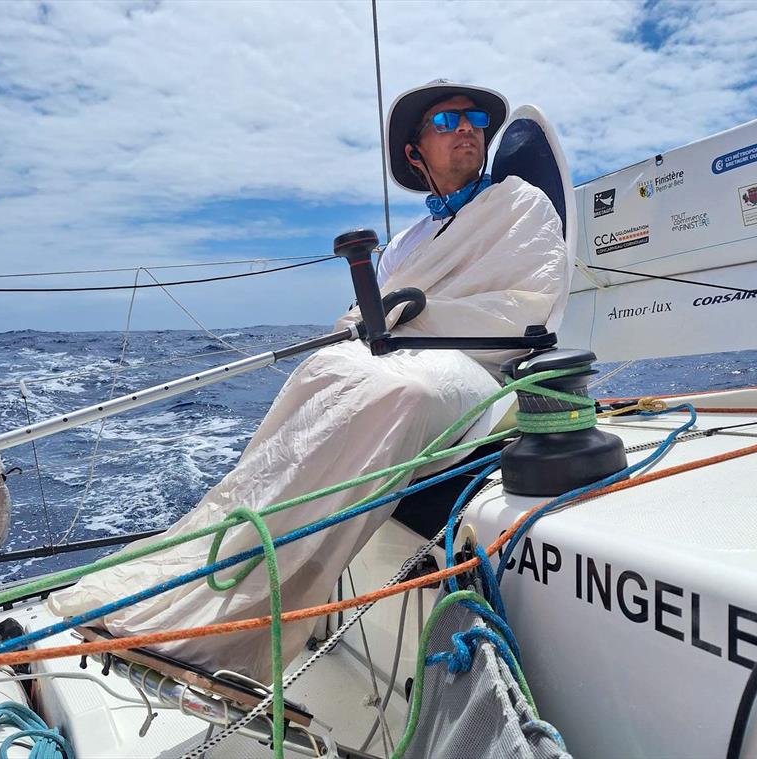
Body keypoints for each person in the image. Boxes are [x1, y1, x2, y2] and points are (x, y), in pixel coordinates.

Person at [49, 80, 570, 682]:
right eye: (446, 120)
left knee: (404, 393)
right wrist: (371, 321)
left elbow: (526, 305)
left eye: (474, 117)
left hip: (479, 373)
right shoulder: (406, 242)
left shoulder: (520, 204)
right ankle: (202, 565)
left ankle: (238, 629)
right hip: (403, 355)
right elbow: (370, 316)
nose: (466, 128)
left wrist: (415, 312)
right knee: (323, 368)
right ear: (414, 153)